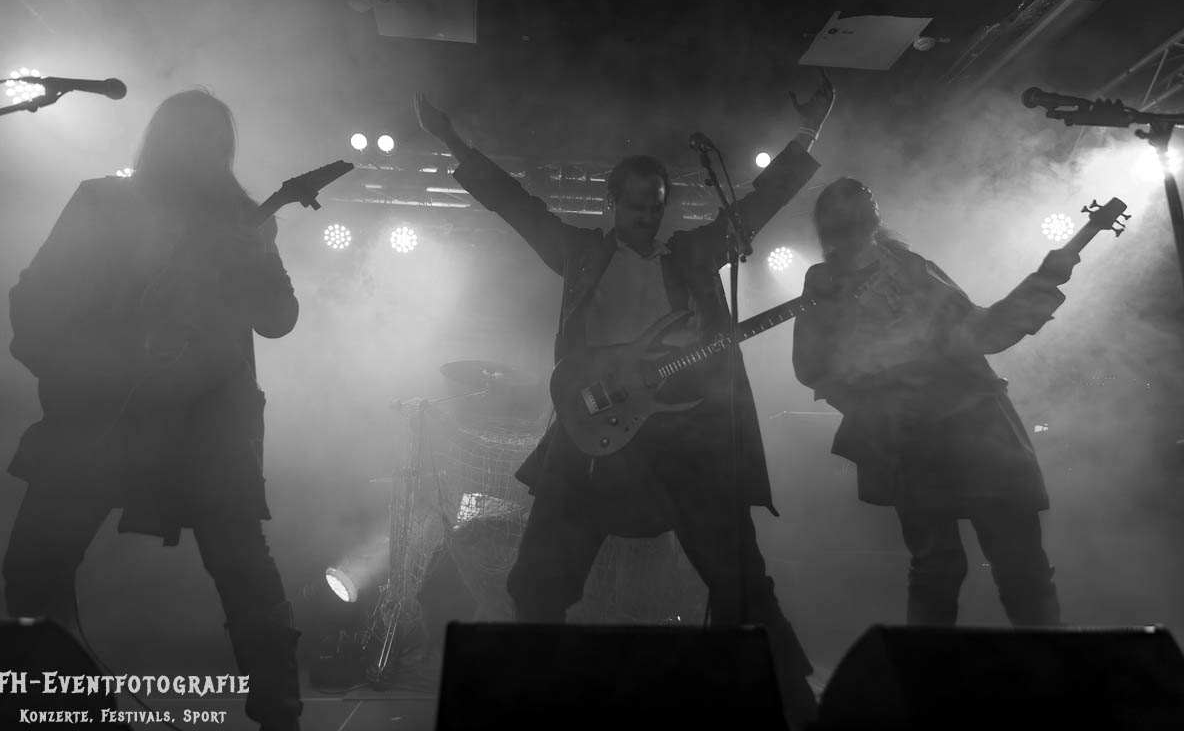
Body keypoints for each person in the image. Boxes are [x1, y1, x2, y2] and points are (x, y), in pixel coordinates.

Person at [415, 76, 834, 727]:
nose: (646, 214)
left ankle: (792, 709)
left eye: (655, 204)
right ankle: (533, 704)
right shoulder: (581, 253)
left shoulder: (694, 254)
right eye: (635, 204)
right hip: (591, 432)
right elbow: (515, 205)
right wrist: (452, 143)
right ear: (611, 203)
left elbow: (759, 205)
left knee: (742, 580)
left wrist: (810, 130)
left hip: (686, 439)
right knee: (537, 582)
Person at [3, 90, 305, 731]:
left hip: (206, 424)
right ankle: (69, 706)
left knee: (241, 568)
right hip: (101, 414)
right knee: (35, 566)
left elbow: (279, 319)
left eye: (212, 142)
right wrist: (77, 372)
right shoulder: (104, 201)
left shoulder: (242, 219)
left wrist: (258, 250)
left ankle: (280, 712)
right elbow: (37, 296)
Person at [792, 177, 1078, 627]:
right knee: (939, 567)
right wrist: (876, 406)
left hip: (975, 424)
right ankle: (926, 668)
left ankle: (1051, 662)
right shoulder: (823, 283)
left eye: (862, 199)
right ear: (829, 223)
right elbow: (812, 365)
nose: (858, 206)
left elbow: (980, 331)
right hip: (910, 439)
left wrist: (1045, 281)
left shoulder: (912, 267)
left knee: (1019, 560)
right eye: (845, 205)